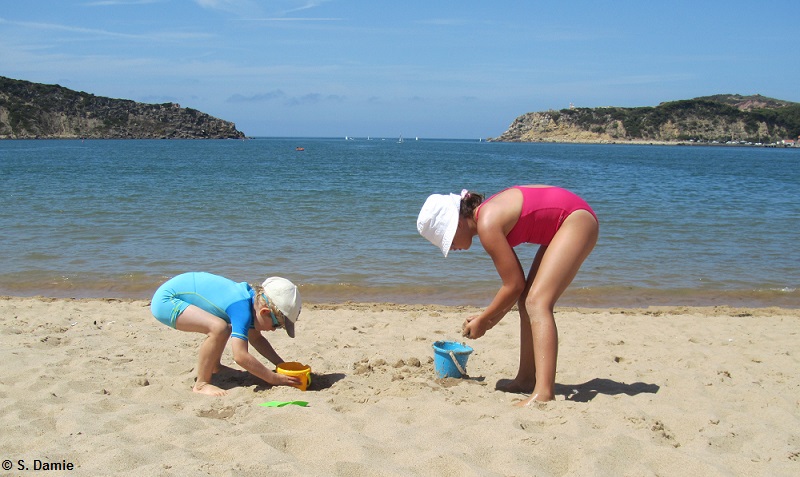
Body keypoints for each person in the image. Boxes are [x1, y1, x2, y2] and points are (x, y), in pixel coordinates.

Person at [417, 185, 598, 406]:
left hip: (576, 221)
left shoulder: (487, 224)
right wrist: (488, 320)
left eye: (449, 240)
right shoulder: (485, 216)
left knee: (537, 303)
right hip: (567, 222)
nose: (451, 247)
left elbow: (513, 284)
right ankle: (526, 379)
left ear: (459, 222)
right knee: (526, 302)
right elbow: (517, 290)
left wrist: (485, 319)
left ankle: (544, 392)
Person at [151, 272, 303, 396]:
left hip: (176, 293)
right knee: (219, 328)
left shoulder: (250, 302)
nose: (273, 330)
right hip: (166, 301)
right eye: (276, 325)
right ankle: (201, 384)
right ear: (264, 312)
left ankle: (215, 367)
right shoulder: (241, 309)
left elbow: (256, 338)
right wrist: (272, 378)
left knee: (224, 327)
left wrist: (281, 364)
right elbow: (240, 356)